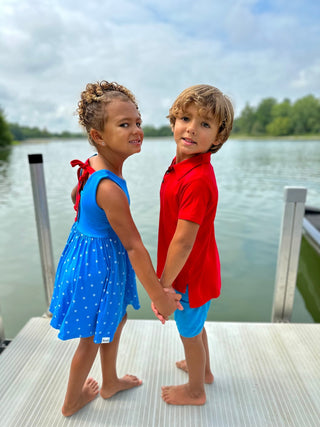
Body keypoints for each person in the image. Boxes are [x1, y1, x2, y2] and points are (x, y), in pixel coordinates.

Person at [49, 80, 182, 417]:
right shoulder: (109, 187)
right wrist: (160, 298)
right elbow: (135, 247)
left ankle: (109, 382)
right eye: (124, 125)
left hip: (91, 255)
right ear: (98, 136)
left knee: (115, 319)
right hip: (97, 267)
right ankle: (72, 400)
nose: (136, 130)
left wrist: (92, 227)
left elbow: (75, 197)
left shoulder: (94, 166)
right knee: (91, 337)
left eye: (137, 122)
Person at [154, 84, 234, 405]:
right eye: (185, 118)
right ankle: (205, 371)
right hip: (192, 268)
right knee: (196, 328)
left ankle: (196, 390)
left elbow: (184, 241)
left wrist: (163, 286)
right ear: (173, 121)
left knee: (188, 333)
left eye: (204, 124)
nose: (191, 128)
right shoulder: (180, 165)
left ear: (217, 138)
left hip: (189, 275)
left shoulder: (198, 179)